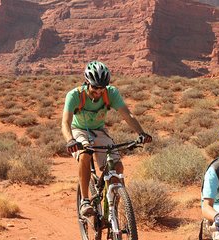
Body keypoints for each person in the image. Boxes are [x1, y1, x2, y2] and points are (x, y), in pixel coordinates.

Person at [62, 61, 152, 216]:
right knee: (85, 154)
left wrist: (141, 133)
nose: (99, 91)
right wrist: (70, 140)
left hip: (99, 131)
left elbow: (127, 114)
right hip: (79, 131)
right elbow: (65, 122)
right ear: (87, 82)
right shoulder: (75, 95)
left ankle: (112, 210)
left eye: (102, 87)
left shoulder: (111, 93)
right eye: (95, 87)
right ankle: (84, 200)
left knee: (117, 166)